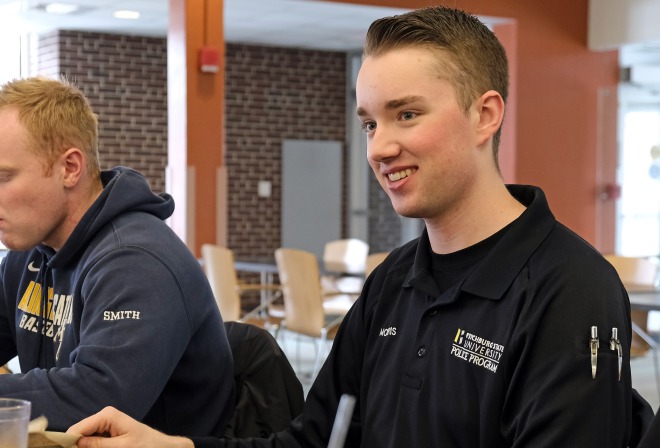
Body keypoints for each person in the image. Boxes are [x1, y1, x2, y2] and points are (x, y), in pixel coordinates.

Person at [68, 6, 652, 447]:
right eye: (370, 124)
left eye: (407, 114)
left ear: (485, 115)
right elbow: (312, 441)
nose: (380, 147)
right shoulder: (393, 281)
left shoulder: (570, 289)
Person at [0, 76, 235, 435]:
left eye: (4, 177)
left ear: (69, 168)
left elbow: (94, 400)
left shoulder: (137, 261)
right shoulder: (30, 255)